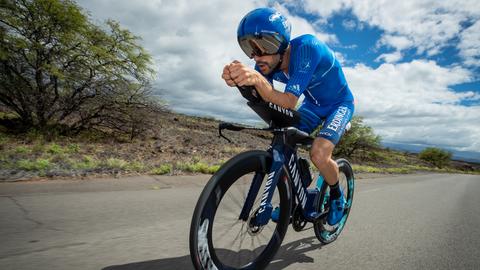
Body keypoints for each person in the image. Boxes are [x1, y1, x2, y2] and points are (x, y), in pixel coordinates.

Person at [221, 7, 355, 226]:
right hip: (313, 104)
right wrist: (242, 83)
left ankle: (337, 197)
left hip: (339, 104)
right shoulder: (265, 63)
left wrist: (258, 80)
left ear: (281, 43)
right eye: (250, 48)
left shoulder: (306, 48)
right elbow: (270, 106)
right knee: (285, 135)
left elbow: (289, 101)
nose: (257, 55)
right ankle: (299, 186)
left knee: (319, 154)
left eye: (264, 46)